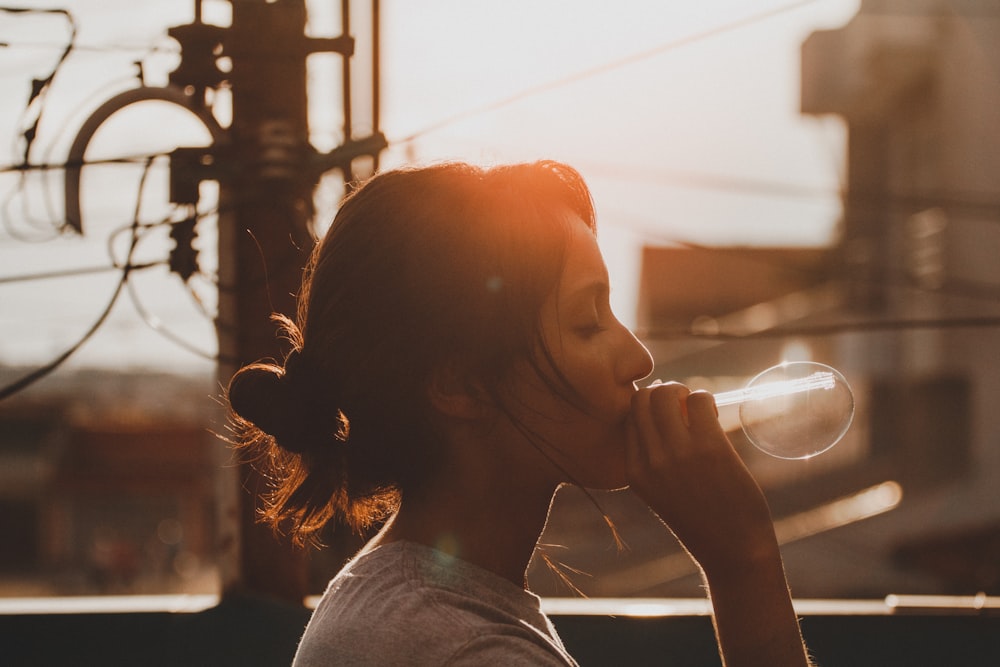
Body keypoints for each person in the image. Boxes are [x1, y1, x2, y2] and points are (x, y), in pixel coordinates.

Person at [227, 160, 813, 666]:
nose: (638, 357)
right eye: (588, 322)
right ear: (460, 384)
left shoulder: (408, 599)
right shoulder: (462, 647)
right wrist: (745, 564)